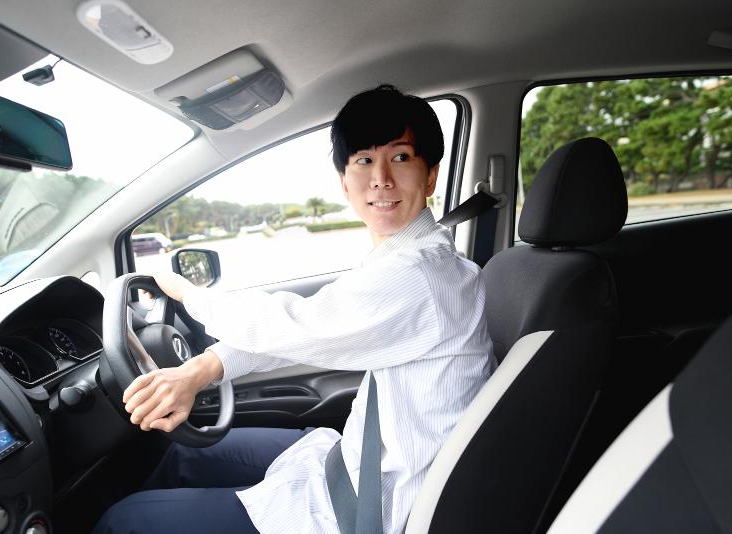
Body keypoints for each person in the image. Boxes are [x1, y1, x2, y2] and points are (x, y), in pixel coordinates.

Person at [94, 84, 495, 534]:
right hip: (353, 460)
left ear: (431, 176)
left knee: (122, 522)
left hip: (369, 506)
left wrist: (189, 295)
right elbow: (308, 332)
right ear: (344, 181)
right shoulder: (409, 261)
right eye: (364, 160)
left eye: (400, 157)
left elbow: (290, 327)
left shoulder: (417, 274)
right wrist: (200, 370)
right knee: (182, 455)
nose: (381, 178)